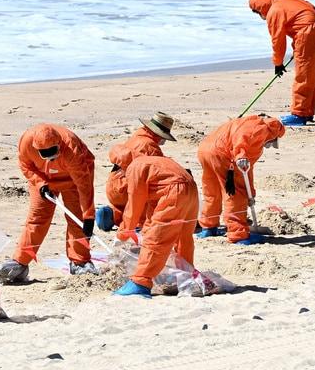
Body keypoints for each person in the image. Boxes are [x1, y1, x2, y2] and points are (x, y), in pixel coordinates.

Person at [0, 123, 97, 284]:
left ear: (59, 144)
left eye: (54, 153)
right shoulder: (26, 142)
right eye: (46, 154)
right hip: (42, 180)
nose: (51, 158)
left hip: (73, 179)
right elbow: (26, 165)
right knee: (37, 219)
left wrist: (89, 215)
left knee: (77, 218)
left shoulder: (71, 148)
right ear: (37, 149)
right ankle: (20, 263)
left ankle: (80, 262)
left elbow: (84, 185)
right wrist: (40, 183)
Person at [111, 154, 199, 298]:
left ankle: (140, 282)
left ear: (120, 168)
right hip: (190, 188)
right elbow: (153, 210)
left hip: (174, 191)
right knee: (183, 236)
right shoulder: (151, 162)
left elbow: (134, 206)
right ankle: (185, 276)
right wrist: (144, 233)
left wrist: (123, 233)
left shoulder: (135, 169)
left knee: (157, 238)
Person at [196, 114, 285, 245]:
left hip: (205, 151)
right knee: (235, 194)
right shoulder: (262, 129)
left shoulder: (245, 121)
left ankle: (208, 227)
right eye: (271, 142)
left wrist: (252, 193)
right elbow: (242, 140)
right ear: (273, 135)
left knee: (212, 190)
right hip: (223, 155)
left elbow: (247, 170)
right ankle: (238, 234)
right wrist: (240, 155)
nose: (268, 145)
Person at [248, 0, 315, 126]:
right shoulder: (287, 0)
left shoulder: (274, 12)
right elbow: (311, 8)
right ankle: (307, 112)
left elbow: (277, 41)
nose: (261, 17)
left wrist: (278, 63)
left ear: (259, 10)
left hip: (307, 33)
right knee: (314, 73)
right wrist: (298, 45)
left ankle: (299, 114)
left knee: (304, 75)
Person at [99, 112, 177, 232]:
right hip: (128, 188)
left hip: (113, 185)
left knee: (122, 207)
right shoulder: (150, 146)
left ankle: (112, 215)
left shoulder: (136, 138)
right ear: (158, 134)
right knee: (145, 205)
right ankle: (138, 224)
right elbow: (157, 171)